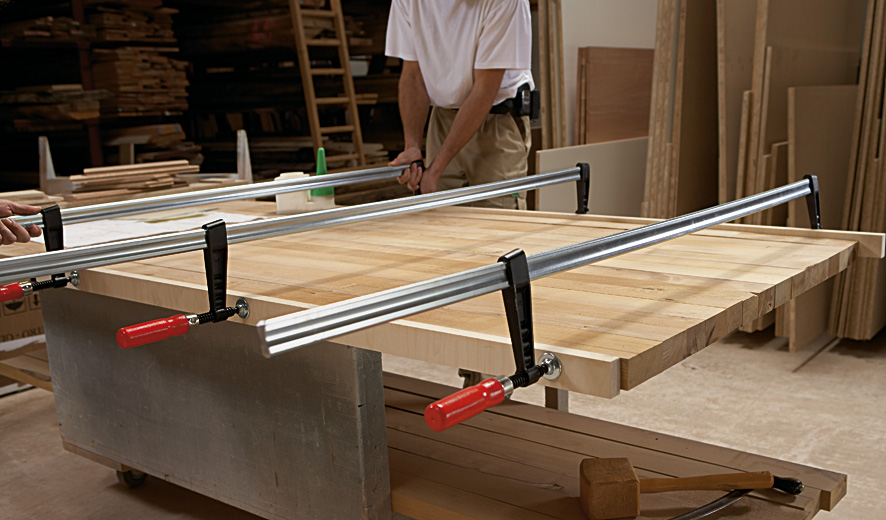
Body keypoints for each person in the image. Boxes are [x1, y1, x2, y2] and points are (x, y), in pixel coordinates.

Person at [386, 0, 535, 209]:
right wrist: (412, 146)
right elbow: (412, 75)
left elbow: (485, 89)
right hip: (443, 118)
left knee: (498, 219)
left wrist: (436, 168)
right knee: (440, 216)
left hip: (495, 120)